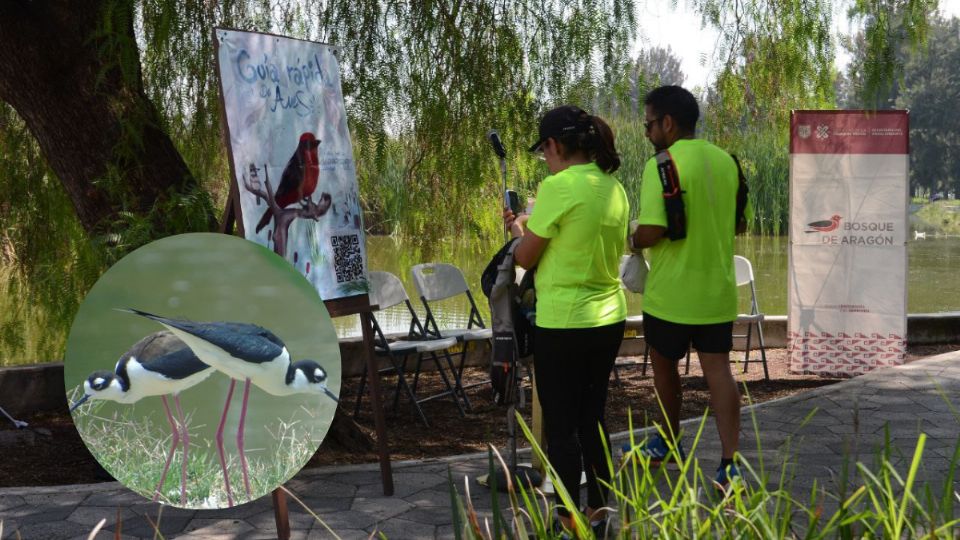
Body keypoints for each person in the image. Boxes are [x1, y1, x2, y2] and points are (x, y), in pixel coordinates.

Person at [503, 105, 628, 535]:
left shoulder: (557, 187)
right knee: (592, 417)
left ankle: (566, 520)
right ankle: (599, 513)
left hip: (563, 323)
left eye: (544, 152)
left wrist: (520, 230)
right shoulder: (615, 187)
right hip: (609, 318)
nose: (546, 160)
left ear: (554, 146)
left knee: (561, 427)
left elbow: (525, 257)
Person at [630, 85, 744, 489]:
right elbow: (737, 223)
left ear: (667, 123)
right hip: (717, 292)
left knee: (664, 367)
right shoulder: (727, 162)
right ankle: (730, 464)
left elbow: (654, 230)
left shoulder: (661, 164)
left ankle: (667, 442)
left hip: (671, 295)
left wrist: (631, 239)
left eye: (648, 124)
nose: (646, 133)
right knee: (720, 373)